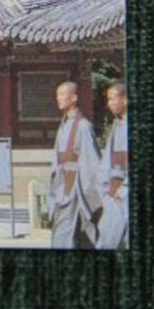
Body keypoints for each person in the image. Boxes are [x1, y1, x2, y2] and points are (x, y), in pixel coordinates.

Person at [49, 81, 102, 248]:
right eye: (57, 95)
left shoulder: (83, 126)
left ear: (74, 98)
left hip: (74, 186)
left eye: (62, 95)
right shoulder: (64, 123)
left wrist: (92, 194)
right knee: (64, 230)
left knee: (66, 233)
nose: (58, 98)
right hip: (61, 185)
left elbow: (91, 163)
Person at [96, 82, 129, 249]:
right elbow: (106, 161)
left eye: (112, 99)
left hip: (126, 191)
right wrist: (104, 187)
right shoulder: (117, 125)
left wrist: (124, 189)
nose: (109, 104)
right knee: (108, 237)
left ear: (125, 100)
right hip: (112, 191)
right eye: (108, 100)